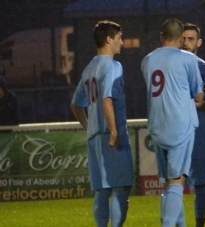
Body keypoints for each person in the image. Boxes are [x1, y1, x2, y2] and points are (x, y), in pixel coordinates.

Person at [70, 20, 134, 227]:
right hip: (110, 134)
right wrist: (114, 131)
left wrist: (89, 127)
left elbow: (75, 104)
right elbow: (107, 98)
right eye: (119, 38)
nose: (122, 43)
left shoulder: (89, 68)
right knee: (120, 189)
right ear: (109, 39)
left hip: (94, 136)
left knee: (102, 190)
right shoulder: (112, 65)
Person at [141, 18, 204, 227]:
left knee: (168, 183)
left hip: (157, 126)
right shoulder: (188, 59)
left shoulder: (147, 60)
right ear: (180, 38)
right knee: (177, 182)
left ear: (161, 37)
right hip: (180, 125)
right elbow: (199, 96)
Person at [182, 23, 205, 227]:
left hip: (198, 134)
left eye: (190, 39)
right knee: (172, 185)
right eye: (184, 38)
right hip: (175, 133)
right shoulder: (169, 68)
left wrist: (187, 105)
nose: (186, 42)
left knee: (201, 185)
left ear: (199, 42)